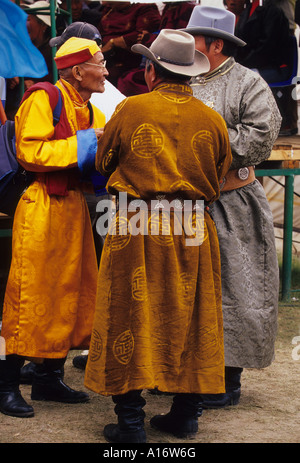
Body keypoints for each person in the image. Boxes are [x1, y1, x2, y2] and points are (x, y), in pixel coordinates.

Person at [84, 29, 233, 443]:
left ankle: (130, 424)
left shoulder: (131, 110)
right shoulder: (213, 118)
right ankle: (186, 414)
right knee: (193, 315)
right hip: (194, 226)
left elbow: (103, 160)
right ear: (189, 75)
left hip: (138, 223)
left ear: (151, 71)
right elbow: (218, 176)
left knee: (129, 315)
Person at [0, 37, 108, 418]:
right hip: (43, 204)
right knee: (31, 292)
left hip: (75, 206)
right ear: (78, 71)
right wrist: (87, 144)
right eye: (101, 63)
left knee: (71, 290)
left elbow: (95, 160)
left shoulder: (91, 110)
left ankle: (48, 378)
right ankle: (7, 383)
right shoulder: (43, 97)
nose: (107, 71)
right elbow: (31, 152)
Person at [182, 5, 281, 408]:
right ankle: (188, 375)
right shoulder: (181, 78)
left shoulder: (247, 83)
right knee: (189, 288)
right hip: (185, 204)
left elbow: (260, 135)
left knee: (234, 289)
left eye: (195, 39)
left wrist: (200, 144)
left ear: (216, 44)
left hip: (232, 202)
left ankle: (226, 381)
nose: (188, 45)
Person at [234, 0, 297, 136]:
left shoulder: (273, 12)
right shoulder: (249, 9)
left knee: (241, 78)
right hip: (255, 62)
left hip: (273, 66)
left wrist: (244, 65)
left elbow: (267, 48)